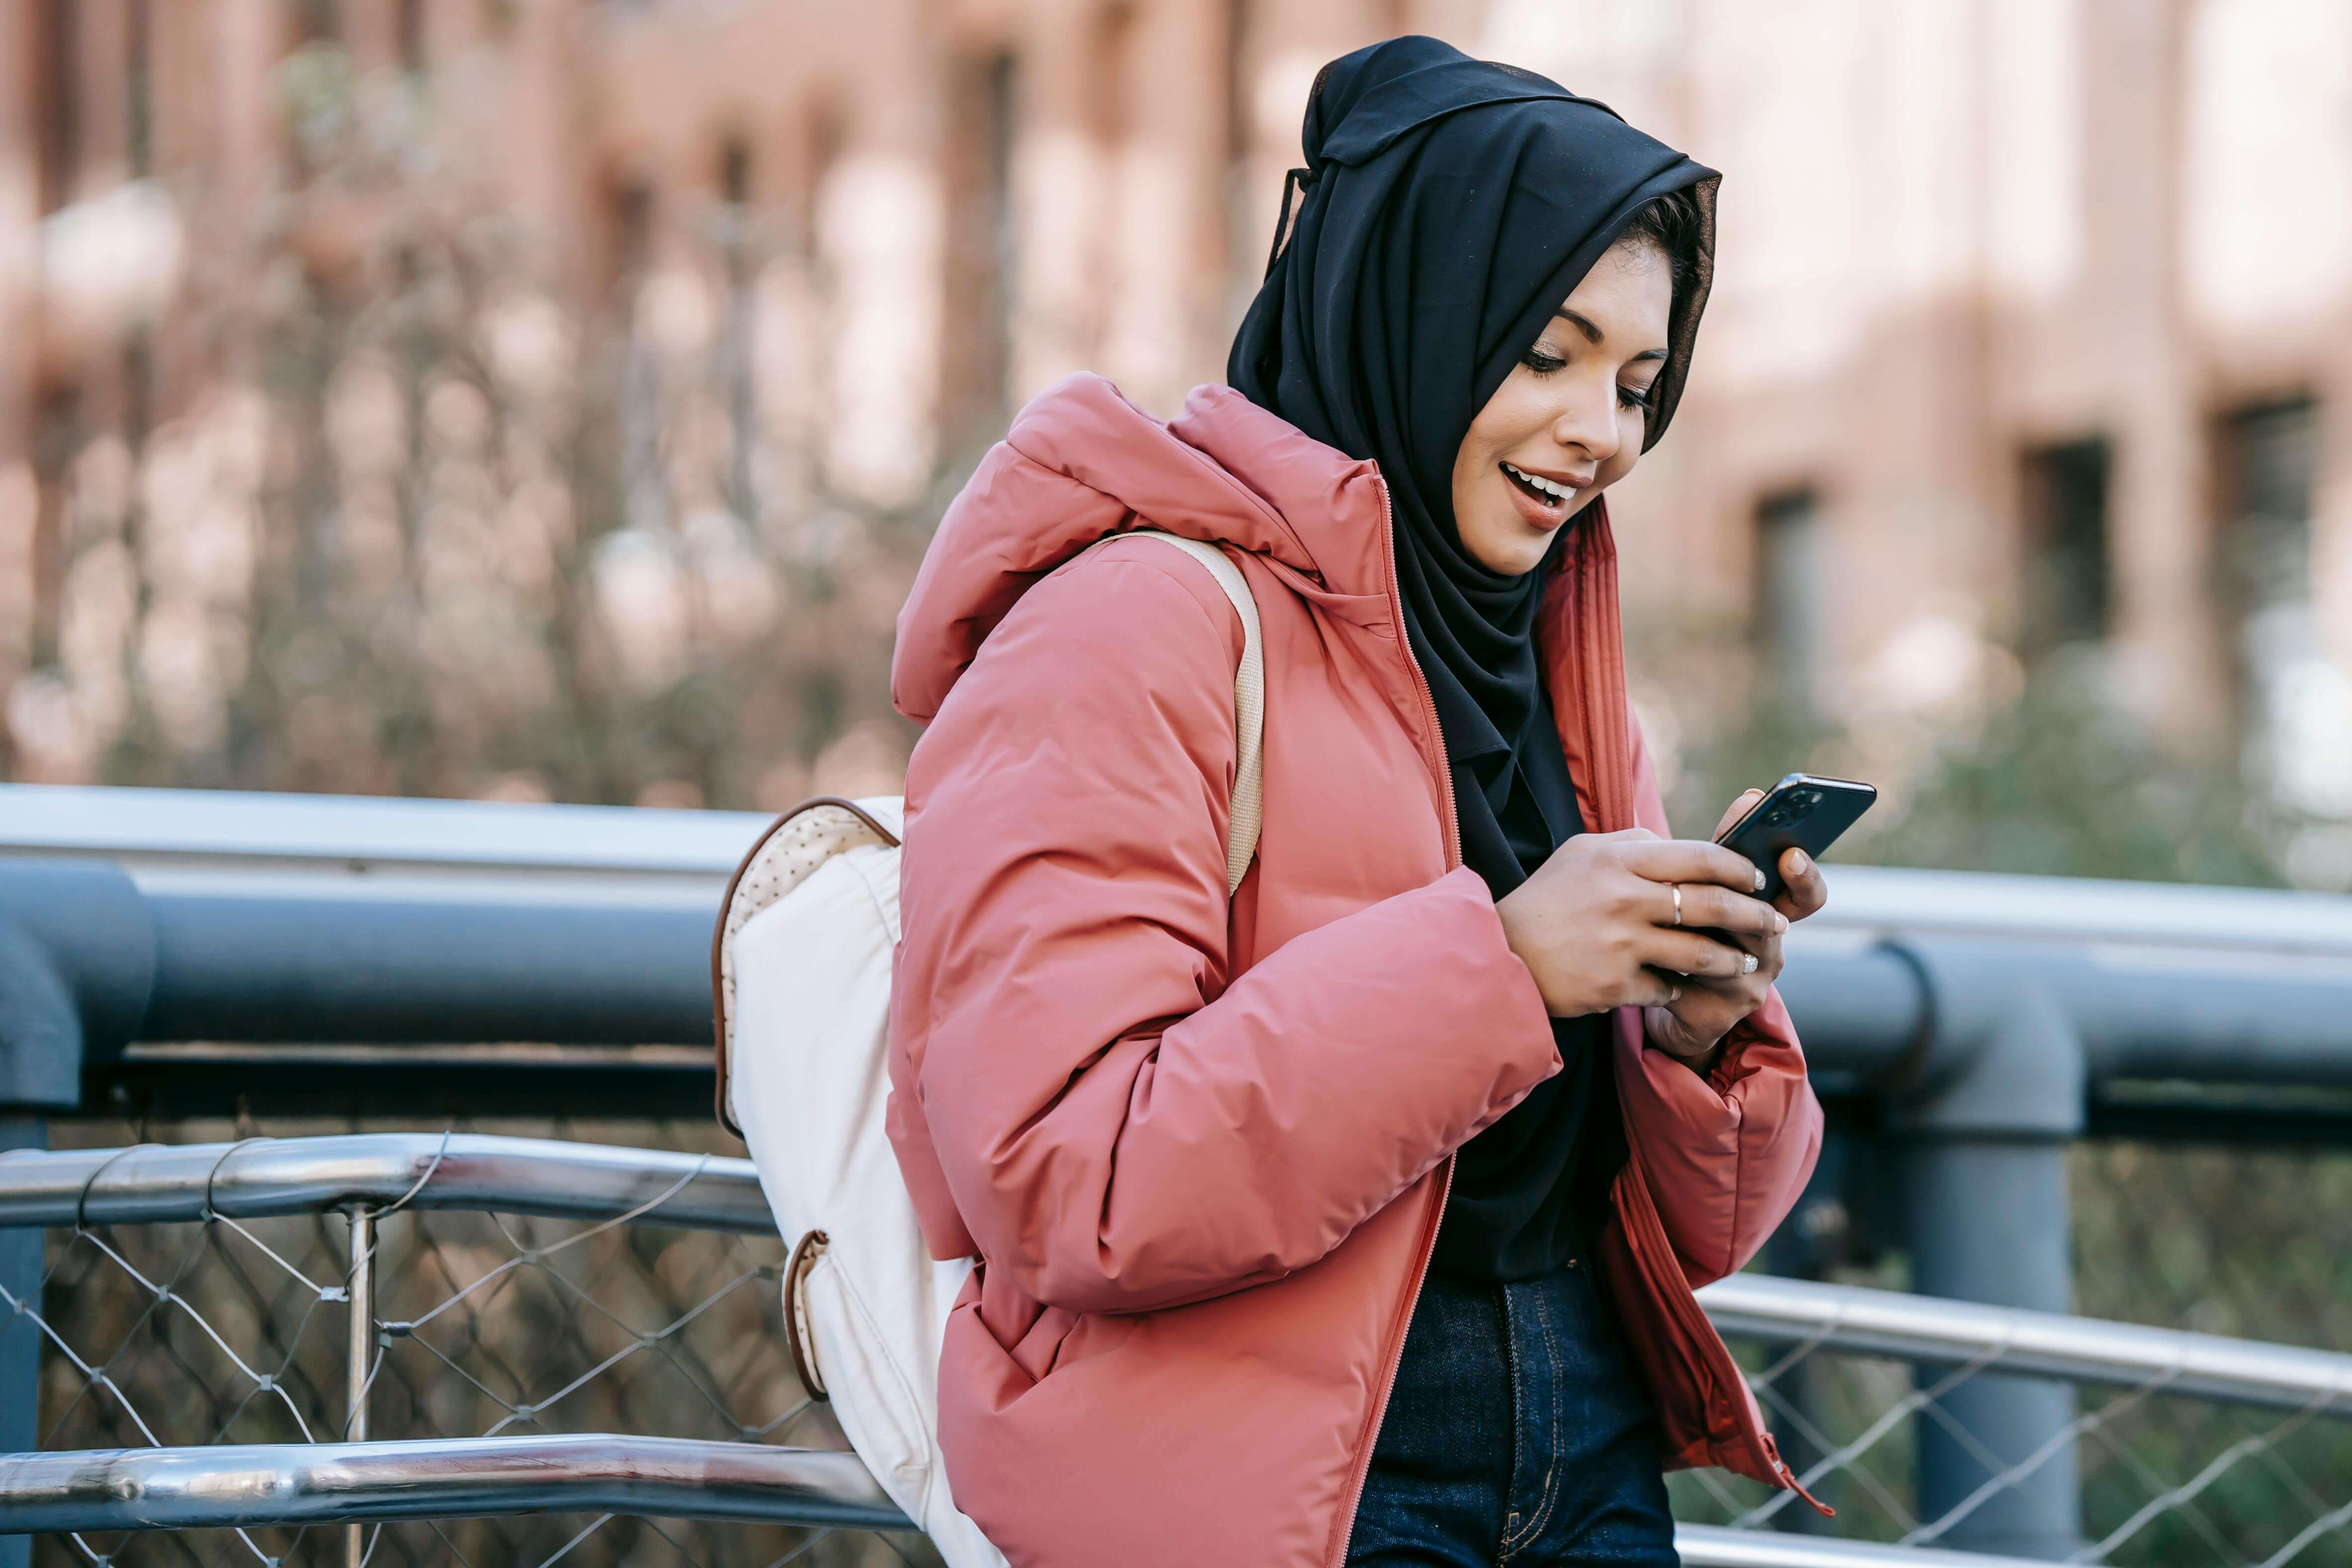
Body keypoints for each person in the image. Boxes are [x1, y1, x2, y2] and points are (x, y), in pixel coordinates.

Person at [884, 35, 1827, 1568]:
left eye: (1640, 382)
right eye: (1548, 354)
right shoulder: (1132, 623)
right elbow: (1067, 1176)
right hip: (1268, 1474)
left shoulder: (1549, 659)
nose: (1604, 430)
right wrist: (1507, 970)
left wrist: (1691, 1030)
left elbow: (1701, 1235)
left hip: (1583, 1428)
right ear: (1410, 304)